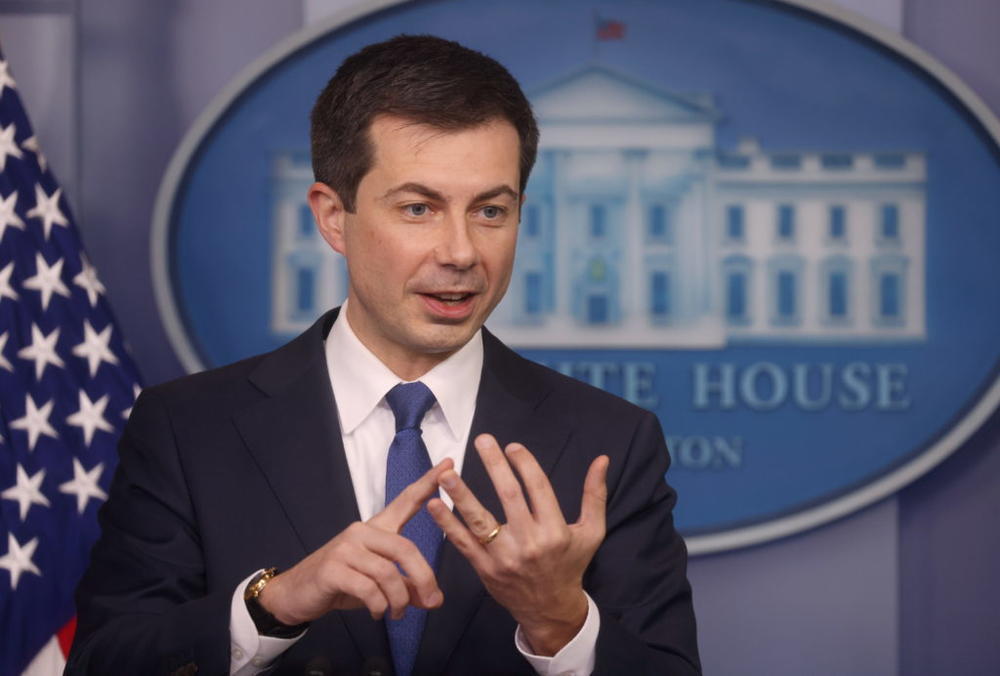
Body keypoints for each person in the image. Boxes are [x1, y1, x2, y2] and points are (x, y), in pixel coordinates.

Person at [67, 35, 700, 676]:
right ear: (333, 218)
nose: (460, 252)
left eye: (490, 210)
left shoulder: (611, 440)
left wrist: (560, 620)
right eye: (418, 208)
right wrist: (272, 606)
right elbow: (98, 664)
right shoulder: (187, 428)